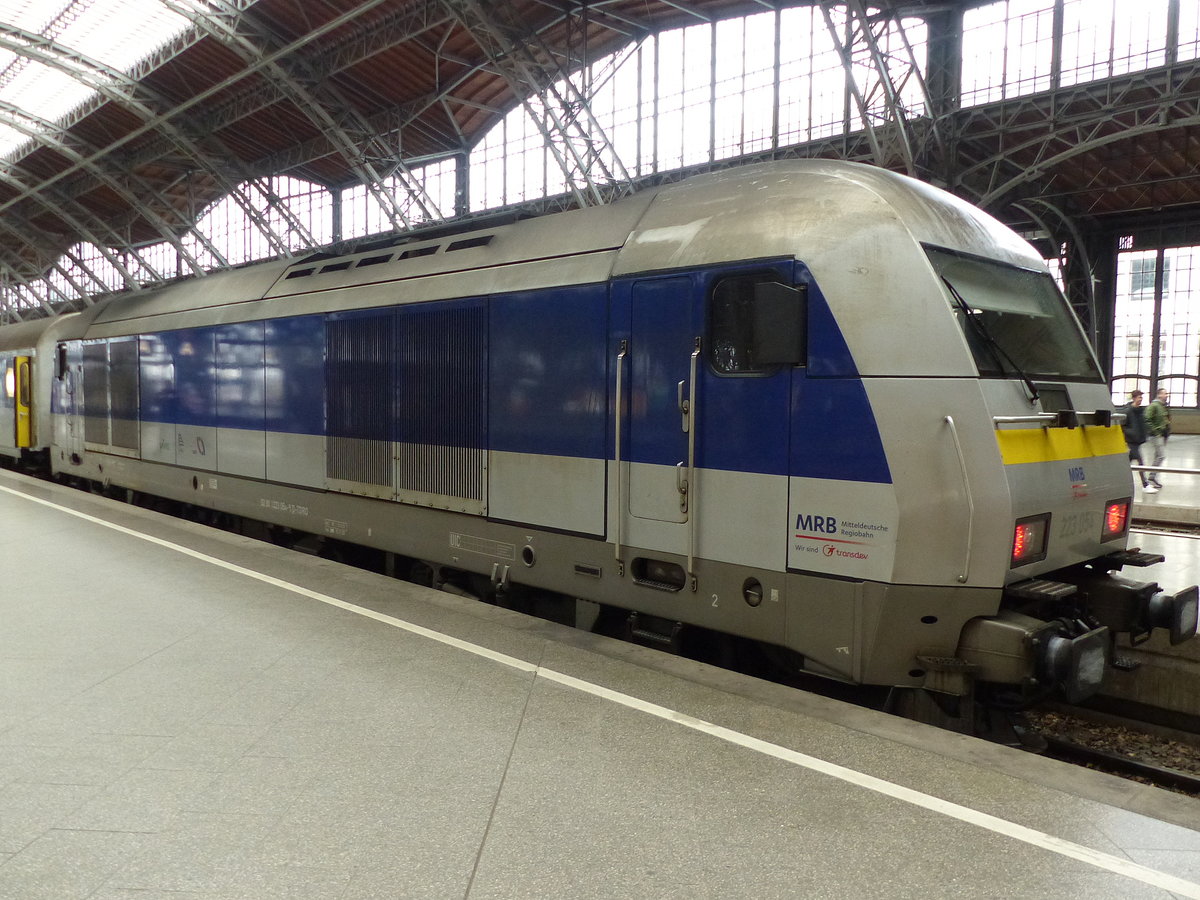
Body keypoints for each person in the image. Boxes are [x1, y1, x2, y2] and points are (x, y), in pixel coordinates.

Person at [1121, 389, 1153, 491]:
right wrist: (1130, 433)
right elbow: (1122, 425)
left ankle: (1120, 479)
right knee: (1140, 462)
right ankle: (1145, 485)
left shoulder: (1141, 411)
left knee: (1128, 462)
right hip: (1131, 440)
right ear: (1134, 398)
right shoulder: (1128, 411)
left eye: (1141, 397)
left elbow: (1143, 423)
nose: (1141, 399)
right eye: (1139, 397)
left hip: (1138, 439)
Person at [1145, 387, 1172, 489]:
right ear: (1159, 395)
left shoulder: (1163, 406)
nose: (1166, 395)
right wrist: (1156, 432)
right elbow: (1147, 419)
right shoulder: (1154, 406)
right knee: (1161, 456)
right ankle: (1151, 477)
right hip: (1156, 435)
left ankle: (1152, 477)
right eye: (1164, 393)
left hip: (1163, 434)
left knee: (1157, 456)